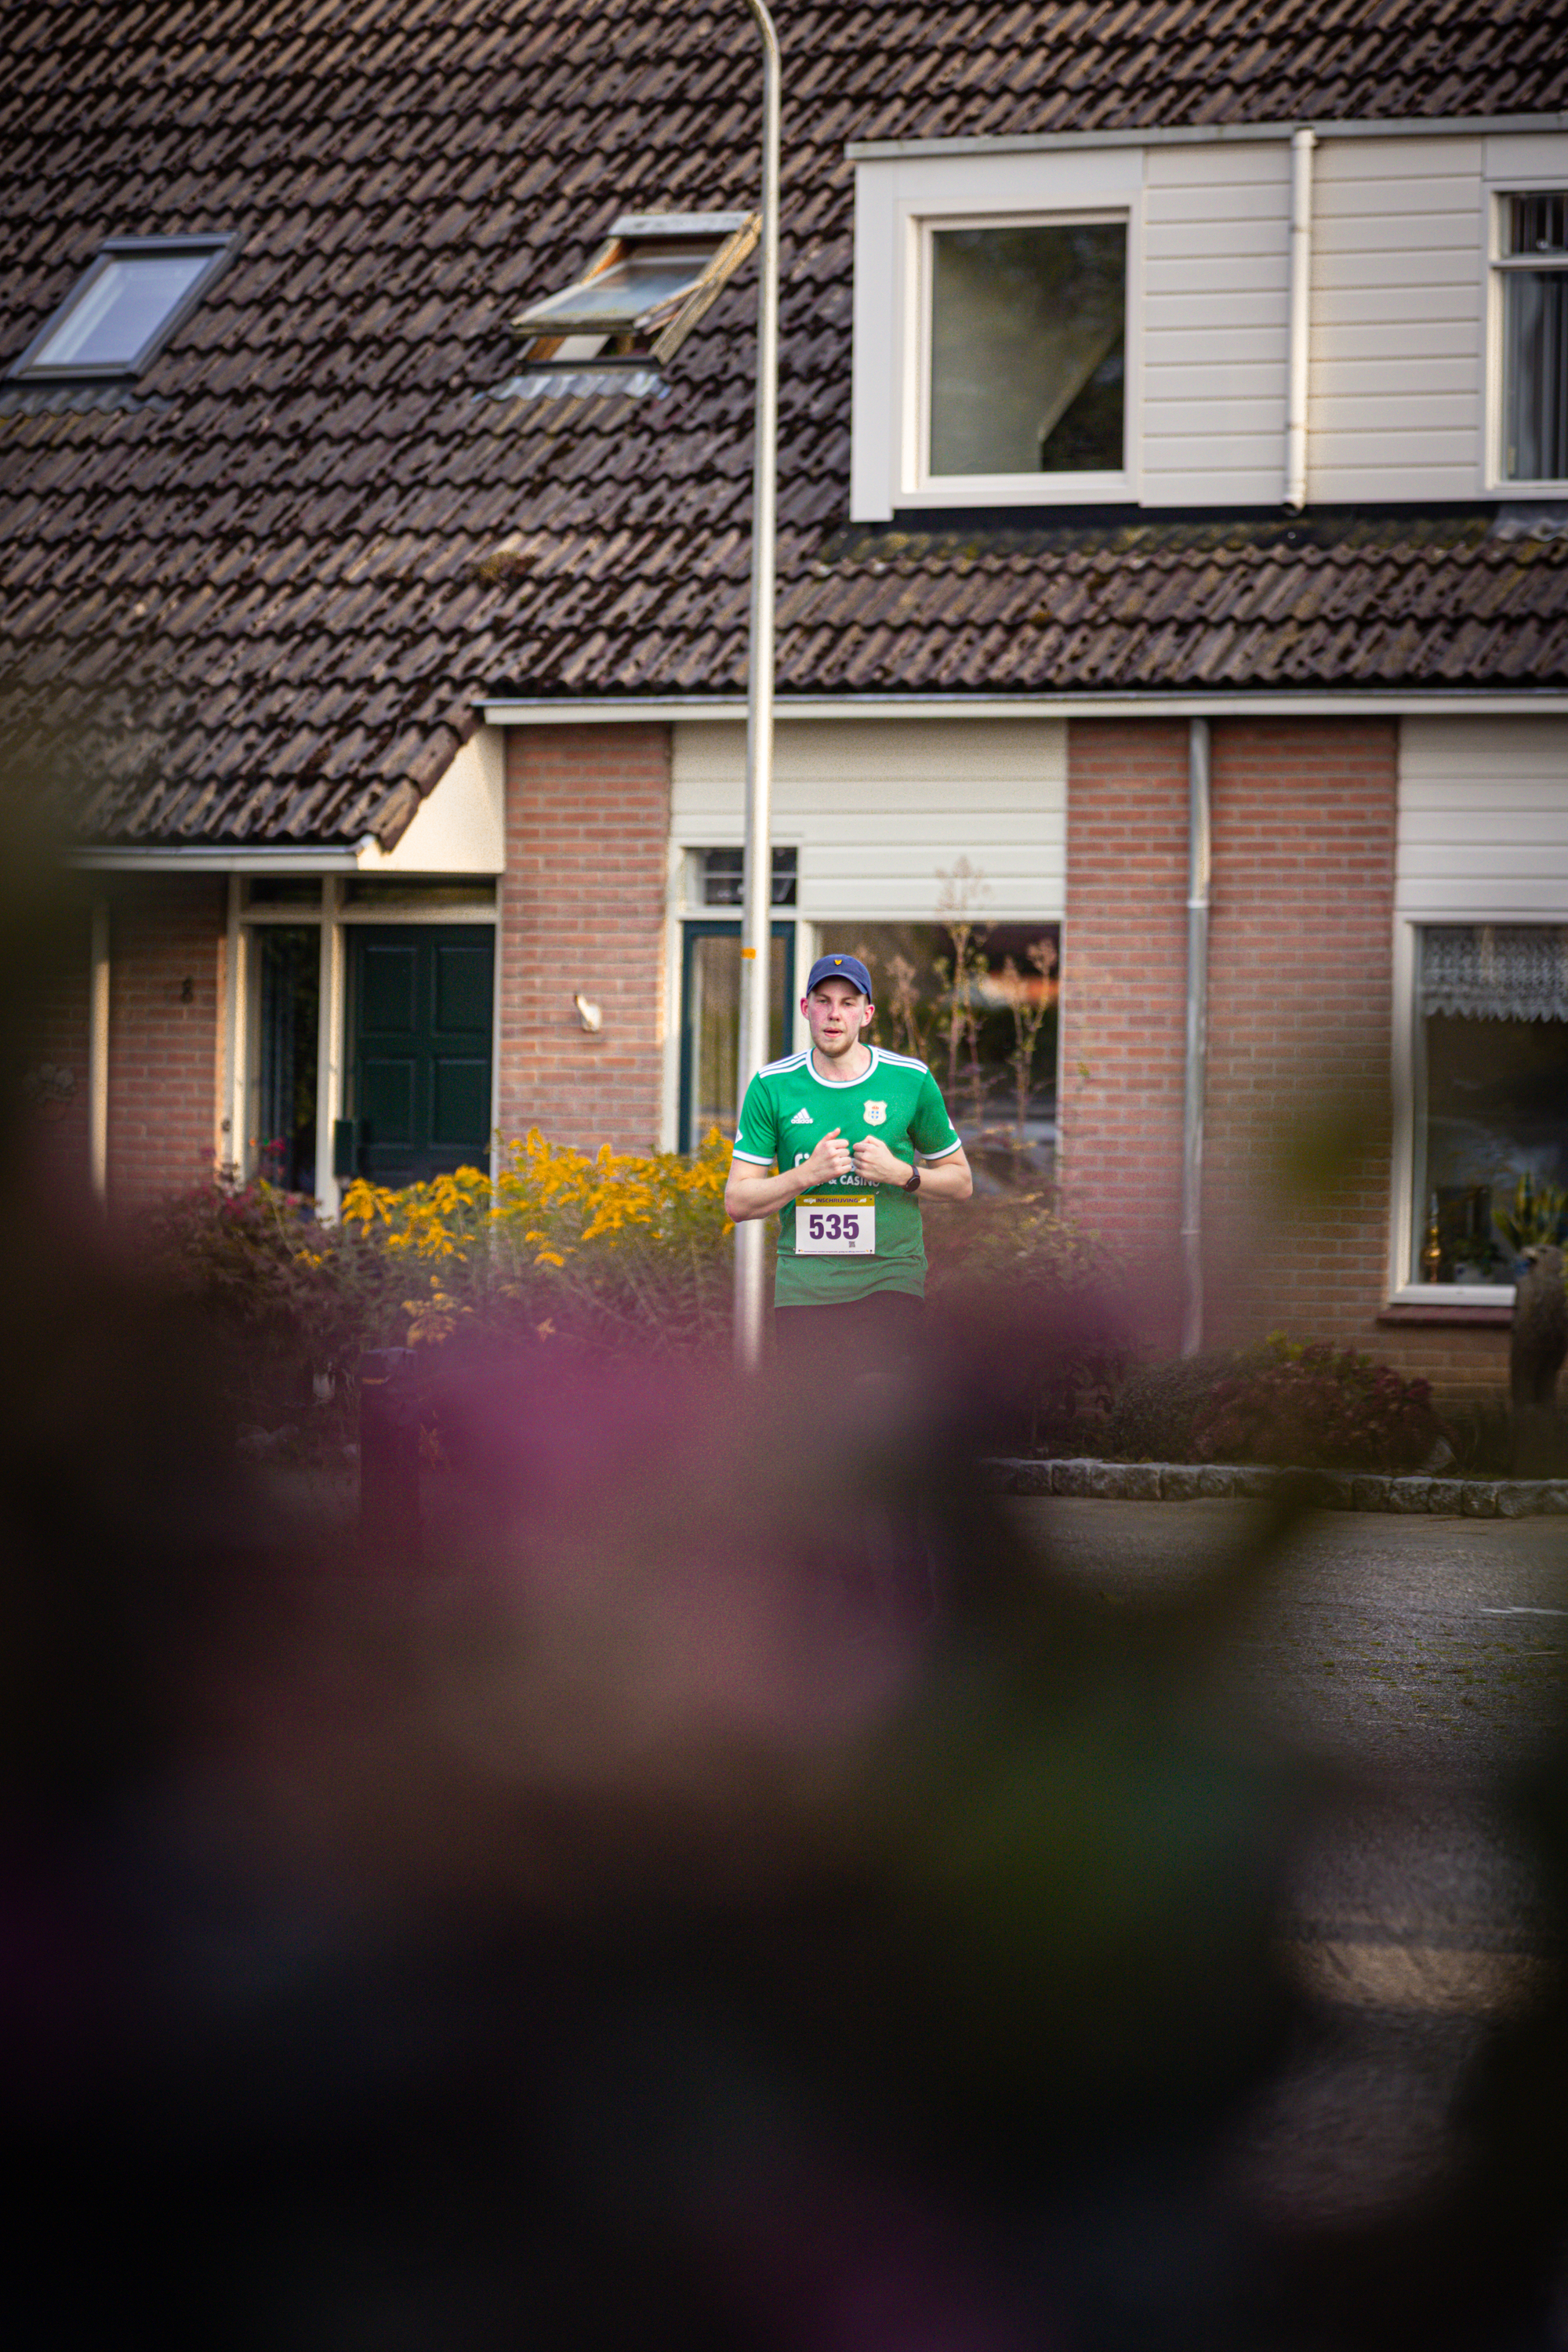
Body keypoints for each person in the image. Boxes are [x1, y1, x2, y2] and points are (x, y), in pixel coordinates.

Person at [724, 953, 973, 1367]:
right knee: (816, 1423)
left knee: (880, 1414)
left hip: (891, 1279)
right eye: (822, 1001)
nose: (833, 1014)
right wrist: (806, 1174)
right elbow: (738, 1201)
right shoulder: (772, 1086)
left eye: (848, 1003)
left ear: (867, 1014)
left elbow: (961, 1182)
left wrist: (903, 1174)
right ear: (805, 1009)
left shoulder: (909, 1080)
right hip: (805, 1288)